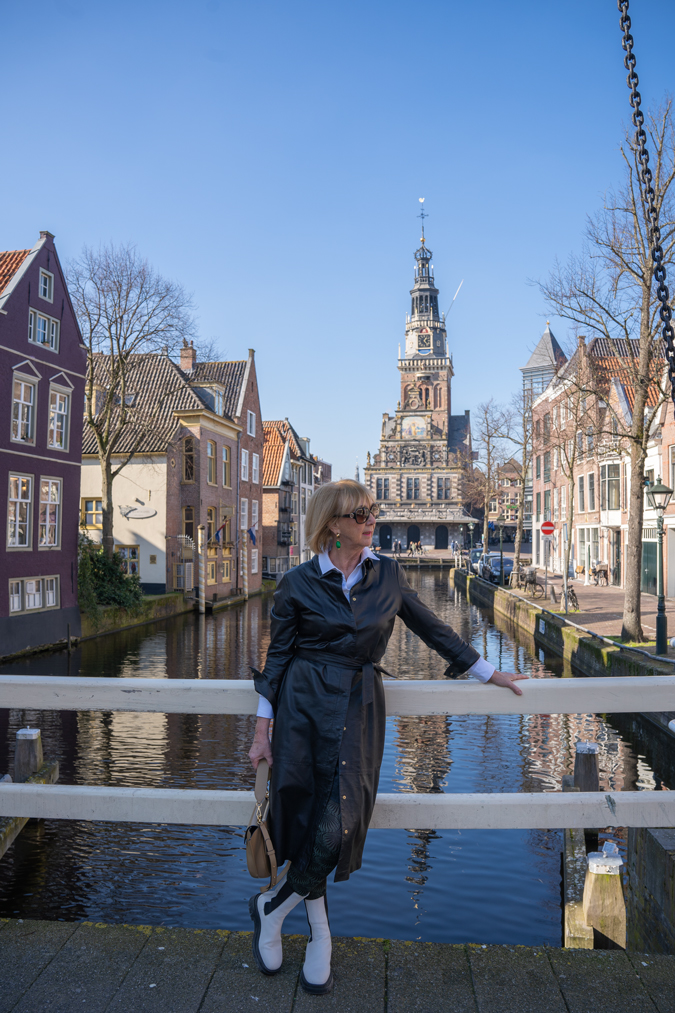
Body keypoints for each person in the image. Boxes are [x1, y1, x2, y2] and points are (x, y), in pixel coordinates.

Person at [248, 480, 526, 994]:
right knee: (311, 819)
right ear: (333, 523)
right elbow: (278, 659)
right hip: (304, 710)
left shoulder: (389, 574)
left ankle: (272, 906)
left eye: (373, 512)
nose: (370, 520)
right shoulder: (297, 583)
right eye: (360, 514)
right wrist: (261, 731)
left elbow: (434, 630)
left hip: (358, 707)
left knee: (342, 822)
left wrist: (491, 672)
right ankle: (320, 937)